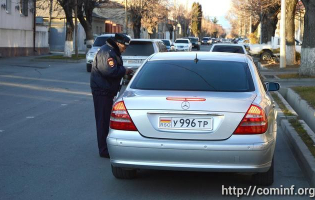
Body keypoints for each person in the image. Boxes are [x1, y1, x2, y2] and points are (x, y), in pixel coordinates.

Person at [90, 33, 132, 158]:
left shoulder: (111, 51)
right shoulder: (106, 52)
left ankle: (106, 146)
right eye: (124, 47)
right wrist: (124, 70)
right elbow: (109, 71)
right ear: (118, 43)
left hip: (106, 90)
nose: (125, 49)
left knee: (105, 120)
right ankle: (103, 150)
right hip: (102, 91)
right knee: (102, 120)